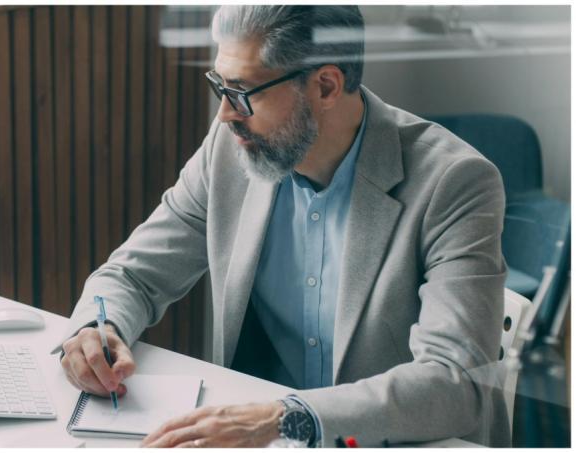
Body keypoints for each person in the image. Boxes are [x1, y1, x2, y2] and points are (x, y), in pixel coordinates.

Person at [54, 5, 509, 448]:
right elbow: (135, 273)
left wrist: (285, 419)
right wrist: (96, 327)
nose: (224, 115)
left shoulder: (454, 182)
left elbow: (454, 381)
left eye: (241, 91)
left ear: (326, 86)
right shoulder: (230, 150)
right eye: (220, 87)